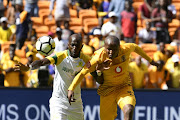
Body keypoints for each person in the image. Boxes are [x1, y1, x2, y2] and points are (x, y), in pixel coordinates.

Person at [68, 35, 159, 120]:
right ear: (104, 48)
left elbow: (135, 47)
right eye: (108, 49)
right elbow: (82, 72)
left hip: (123, 87)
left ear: (119, 47)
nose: (111, 52)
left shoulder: (125, 49)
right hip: (107, 90)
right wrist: (71, 88)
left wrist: (150, 60)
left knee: (129, 109)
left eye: (114, 49)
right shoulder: (98, 58)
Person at [14, 34, 90, 120]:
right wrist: (29, 67)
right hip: (59, 102)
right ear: (68, 45)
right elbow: (42, 62)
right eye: (72, 45)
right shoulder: (60, 56)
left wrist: (99, 72)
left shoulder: (86, 60)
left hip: (76, 103)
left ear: (82, 46)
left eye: (77, 45)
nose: (75, 47)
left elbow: (97, 73)